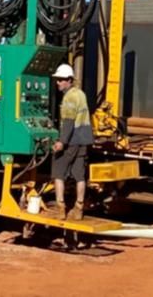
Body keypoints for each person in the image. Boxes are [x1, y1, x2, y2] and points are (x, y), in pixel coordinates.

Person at [51, 63, 92, 221]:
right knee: (79, 175)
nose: (58, 83)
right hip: (84, 139)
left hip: (71, 141)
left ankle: (60, 208)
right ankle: (79, 208)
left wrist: (62, 142)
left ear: (69, 80)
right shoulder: (81, 94)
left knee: (58, 172)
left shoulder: (69, 97)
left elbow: (68, 121)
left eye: (61, 80)